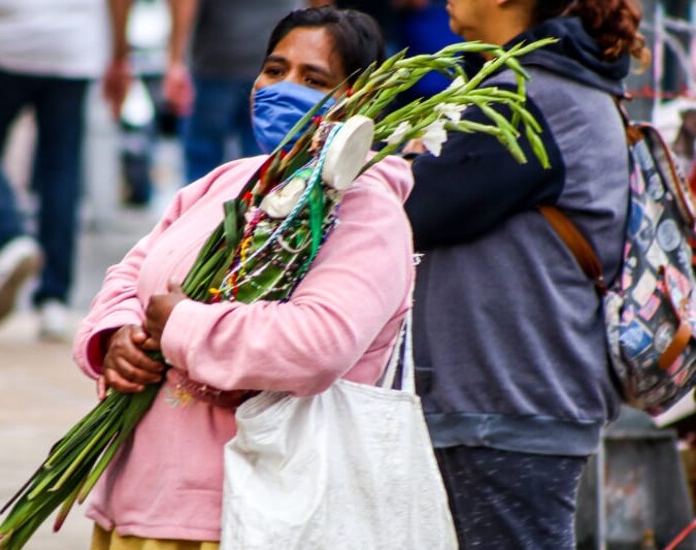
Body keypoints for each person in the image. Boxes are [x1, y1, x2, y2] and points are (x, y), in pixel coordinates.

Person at [72, 8, 406, 548]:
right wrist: (115, 337)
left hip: (243, 512)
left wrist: (182, 327)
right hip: (141, 496)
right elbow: (133, 269)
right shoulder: (228, 180)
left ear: (358, 102)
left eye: (313, 79)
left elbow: (318, 343)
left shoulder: (366, 211)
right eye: (274, 70)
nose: (282, 88)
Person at [403, 0, 649, 547]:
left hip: (509, 407)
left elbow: (415, 209)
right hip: (517, 402)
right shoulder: (556, 85)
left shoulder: (532, 96)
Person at [0, 0, 131, 340]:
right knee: (60, 168)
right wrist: (120, 54)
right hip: (71, 46)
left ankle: (10, 239)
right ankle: (54, 301)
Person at [162, 0, 310, 184]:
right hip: (273, 62)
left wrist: (176, 59)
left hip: (216, 61)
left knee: (202, 172)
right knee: (264, 168)